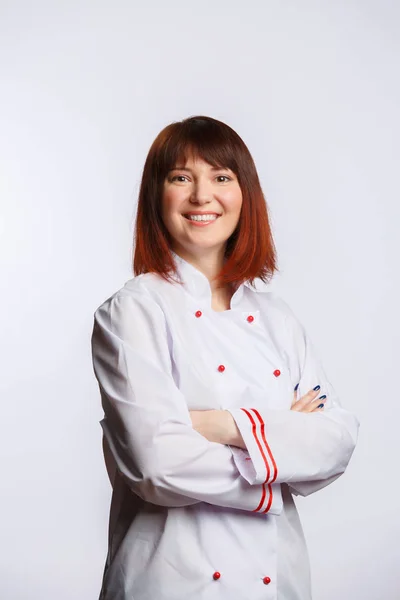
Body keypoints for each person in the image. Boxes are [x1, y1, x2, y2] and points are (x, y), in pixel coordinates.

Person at [90, 115, 359, 600]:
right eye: (180, 178)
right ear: (157, 194)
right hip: (169, 582)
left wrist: (214, 425)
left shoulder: (277, 318)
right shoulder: (132, 311)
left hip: (275, 582)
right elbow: (156, 464)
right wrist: (277, 446)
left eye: (221, 177)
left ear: (245, 195)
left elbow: (336, 441)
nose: (201, 196)